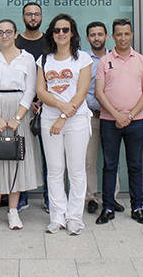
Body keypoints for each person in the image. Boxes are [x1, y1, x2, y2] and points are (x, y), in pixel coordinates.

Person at [0, 19, 44, 229]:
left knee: (16, 159)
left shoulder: (27, 58)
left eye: (8, 32)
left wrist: (17, 118)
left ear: (16, 34)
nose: (4, 35)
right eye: (0, 32)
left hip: (19, 110)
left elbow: (31, 90)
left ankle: (13, 211)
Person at [36, 13, 92, 235]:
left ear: (73, 33)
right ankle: (57, 216)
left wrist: (63, 117)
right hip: (50, 118)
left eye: (65, 30)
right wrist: (61, 108)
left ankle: (74, 217)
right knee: (55, 170)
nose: (61, 34)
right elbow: (41, 90)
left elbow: (82, 91)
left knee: (76, 170)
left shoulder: (83, 59)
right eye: (57, 30)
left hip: (76, 120)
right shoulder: (43, 60)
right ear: (52, 33)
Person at [94, 18, 143, 225]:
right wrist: (117, 115)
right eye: (118, 34)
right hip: (109, 121)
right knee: (110, 165)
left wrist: (128, 116)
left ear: (132, 35)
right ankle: (108, 207)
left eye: (126, 34)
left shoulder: (142, 60)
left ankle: (137, 207)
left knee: (135, 165)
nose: (123, 38)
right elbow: (99, 93)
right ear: (113, 36)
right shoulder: (104, 61)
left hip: (136, 122)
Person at [83, 21, 122, 214]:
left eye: (100, 34)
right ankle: (90, 197)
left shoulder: (114, 58)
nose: (96, 38)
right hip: (90, 117)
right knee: (89, 160)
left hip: (111, 117)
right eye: (92, 35)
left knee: (111, 159)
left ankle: (111, 197)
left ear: (107, 37)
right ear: (87, 38)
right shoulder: (83, 60)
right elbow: (81, 89)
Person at [15, 2, 47, 211]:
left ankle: (49, 198)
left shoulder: (50, 42)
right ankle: (21, 196)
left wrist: (42, 99)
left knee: (49, 156)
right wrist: (27, 101)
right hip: (21, 106)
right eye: (29, 14)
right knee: (20, 154)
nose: (33, 18)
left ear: (42, 17)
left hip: (47, 105)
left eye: (36, 14)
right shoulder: (15, 42)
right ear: (23, 17)